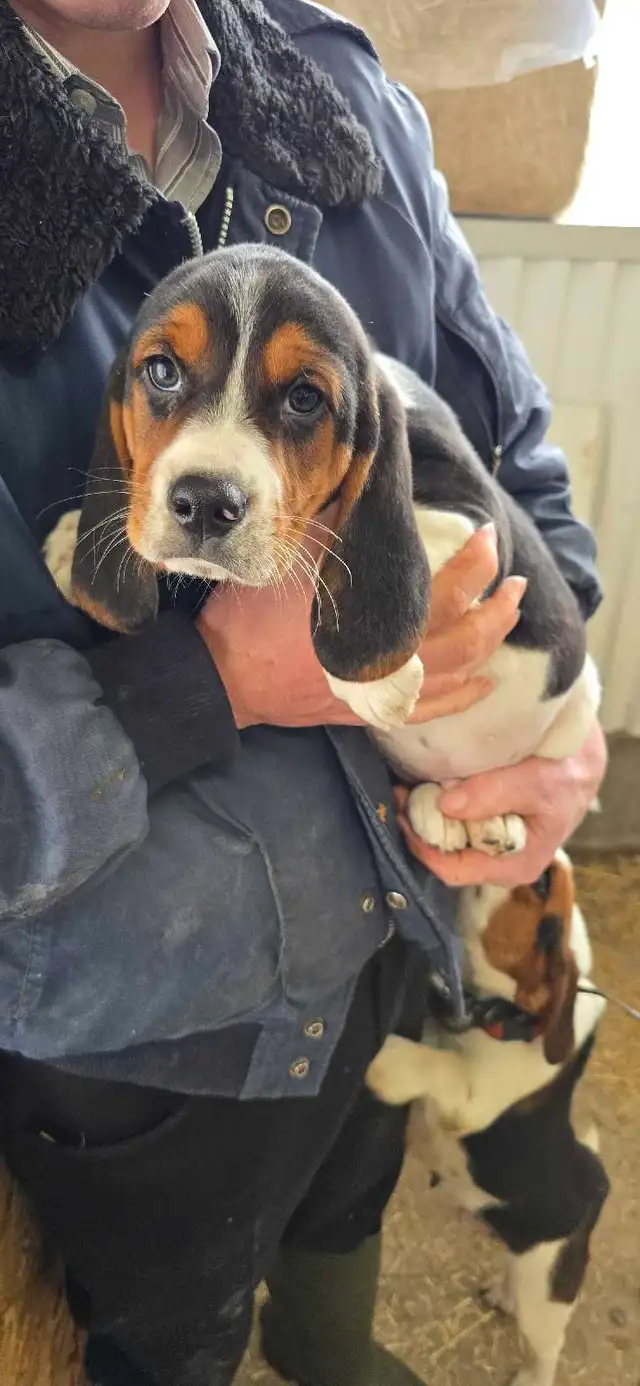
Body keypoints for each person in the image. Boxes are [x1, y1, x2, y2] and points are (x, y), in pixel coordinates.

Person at [0, 2, 606, 1384]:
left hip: (395, 925)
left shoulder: (333, 86)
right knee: (172, 1325)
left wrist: (562, 728)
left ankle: (326, 1340)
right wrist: (209, 676)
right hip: (154, 1025)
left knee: (348, 1191)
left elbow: (516, 455)